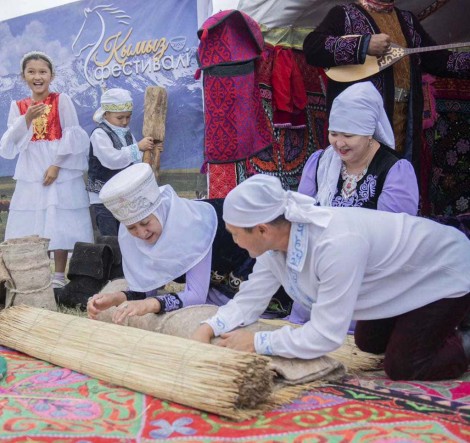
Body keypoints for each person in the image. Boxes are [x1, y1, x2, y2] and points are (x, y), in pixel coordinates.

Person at [192, 174, 470, 381]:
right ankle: (430, 326)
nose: (234, 240)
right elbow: (250, 300)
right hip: (401, 277)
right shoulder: (274, 248)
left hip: (443, 269)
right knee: (369, 343)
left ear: (263, 230)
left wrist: (257, 342)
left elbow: (326, 336)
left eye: (235, 233)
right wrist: (209, 327)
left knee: (405, 366)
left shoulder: (336, 244)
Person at [87, 163, 291, 324]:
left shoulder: (189, 227)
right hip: (213, 287)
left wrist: (151, 305)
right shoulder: (133, 237)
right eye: (132, 228)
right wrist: (116, 298)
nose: (141, 233)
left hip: (245, 277)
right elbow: (147, 287)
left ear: (160, 212)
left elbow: (196, 295)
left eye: (145, 222)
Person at [288, 81, 419, 324]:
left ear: (369, 133)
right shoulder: (320, 163)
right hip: (320, 276)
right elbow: (302, 218)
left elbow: (392, 241)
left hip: (368, 284)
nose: (338, 143)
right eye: (334, 133)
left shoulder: (395, 171)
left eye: (348, 135)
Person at [302, 0, 470, 161]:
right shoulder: (344, 15)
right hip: (363, 129)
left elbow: (438, 60)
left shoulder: (408, 21)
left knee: (397, 178)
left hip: (405, 125)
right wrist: (363, 45)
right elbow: (312, 47)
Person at [0, 51, 93, 288]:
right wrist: (26, 119)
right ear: (23, 76)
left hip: (58, 167)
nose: (37, 76)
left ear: (51, 75)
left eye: (43, 71)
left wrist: (56, 164)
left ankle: (59, 275)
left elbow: (73, 136)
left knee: (59, 218)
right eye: (32, 72)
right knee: (35, 220)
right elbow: (12, 143)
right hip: (32, 170)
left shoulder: (61, 100)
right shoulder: (18, 106)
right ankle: (37, 273)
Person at [88, 88, 154, 236]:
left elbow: (135, 160)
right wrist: (138, 147)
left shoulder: (127, 133)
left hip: (124, 196)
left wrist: (148, 148)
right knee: (110, 238)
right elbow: (111, 160)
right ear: (106, 114)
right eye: (120, 117)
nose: (124, 121)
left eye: (128, 117)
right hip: (103, 199)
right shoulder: (99, 134)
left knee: (126, 236)